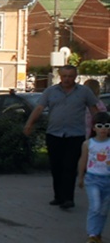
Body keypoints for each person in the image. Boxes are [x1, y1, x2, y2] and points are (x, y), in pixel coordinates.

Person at [24, 65, 99, 210]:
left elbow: (93, 109)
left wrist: (100, 126)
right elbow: (39, 108)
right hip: (54, 133)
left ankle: (68, 199)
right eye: (64, 76)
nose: (67, 79)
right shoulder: (50, 91)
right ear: (60, 76)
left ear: (75, 77)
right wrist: (29, 124)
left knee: (69, 166)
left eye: (70, 76)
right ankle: (58, 196)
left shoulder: (84, 91)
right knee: (56, 166)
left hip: (75, 135)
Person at [77, 111, 110, 243]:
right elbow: (83, 160)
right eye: (100, 126)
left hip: (108, 181)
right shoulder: (88, 144)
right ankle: (91, 234)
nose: (103, 129)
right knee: (95, 206)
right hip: (92, 179)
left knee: (103, 210)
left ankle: (98, 235)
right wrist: (81, 177)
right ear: (94, 128)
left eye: (107, 126)